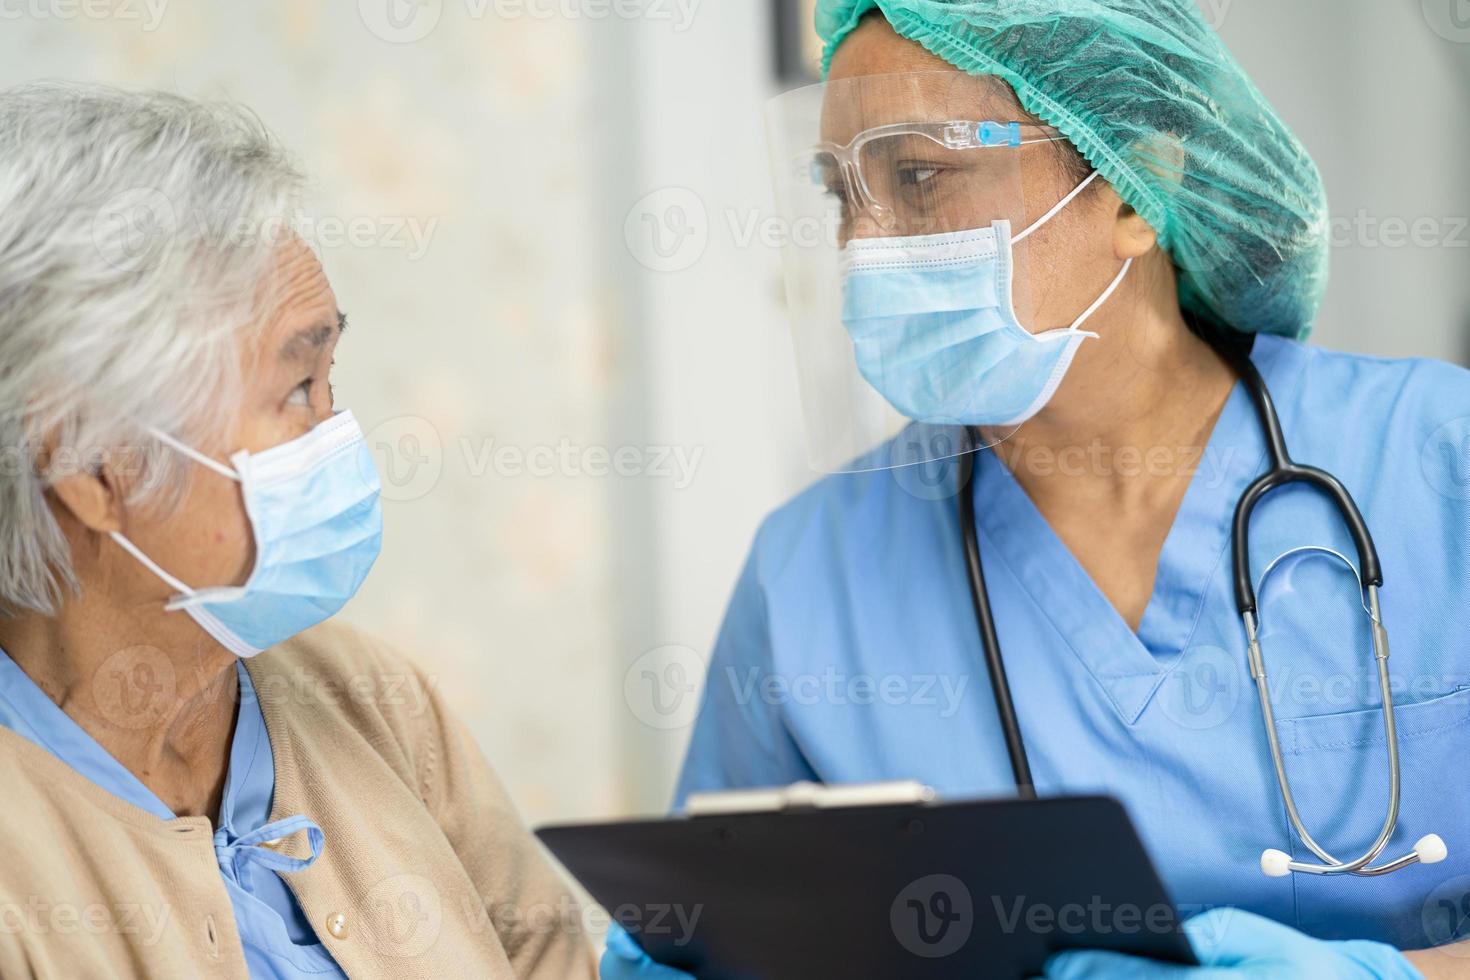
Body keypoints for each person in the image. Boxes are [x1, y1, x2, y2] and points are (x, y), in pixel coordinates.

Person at [606, 0, 1470, 976]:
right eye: (843, 194)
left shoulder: (1438, 460)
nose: (865, 244)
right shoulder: (811, 571)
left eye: (918, 176)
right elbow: (717, 942)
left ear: (1142, 185)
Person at [0, 83, 596, 979]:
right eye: (296, 390)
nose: (340, 434)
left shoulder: (374, 699)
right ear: (92, 466)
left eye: (331, 377)